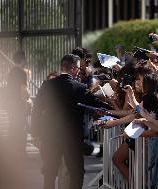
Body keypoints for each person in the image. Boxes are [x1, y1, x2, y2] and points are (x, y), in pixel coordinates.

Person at [31, 54, 111, 189]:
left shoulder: (47, 84)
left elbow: (36, 110)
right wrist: (115, 107)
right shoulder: (79, 87)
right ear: (73, 68)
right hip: (72, 138)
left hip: (50, 136)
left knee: (49, 173)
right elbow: (97, 104)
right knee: (76, 172)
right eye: (79, 68)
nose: (79, 71)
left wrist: (35, 133)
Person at [5, 51, 30, 157]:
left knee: (12, 127)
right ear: (22, 60)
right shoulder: (21, 72)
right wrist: (27, 97)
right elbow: (23, 90)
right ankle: (20, 151)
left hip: (11, 104)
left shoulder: (10, 72)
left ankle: (11, 150)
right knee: (21, 128)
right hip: (19, 105)